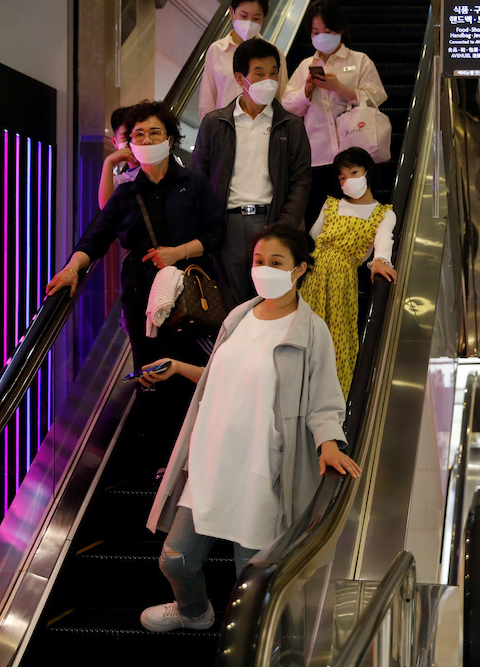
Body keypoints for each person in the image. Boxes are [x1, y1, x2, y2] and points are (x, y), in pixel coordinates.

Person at [138, 224, 362, 632]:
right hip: (211, 462)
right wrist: (177, 367)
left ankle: (251, 642)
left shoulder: (312, 333)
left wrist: (328, 441)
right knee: (175, 558)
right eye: (259, 261)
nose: (263, 269)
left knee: (252, 577)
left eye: (276, 262)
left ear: (300, 270)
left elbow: (324, 401)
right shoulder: (239, 316)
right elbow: (223, 376)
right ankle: (194, 612)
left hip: (262, 471)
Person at [47, 100, 224, 375]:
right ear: (131, 143)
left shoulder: (193, 183)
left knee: (186, 371)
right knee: (148, 372)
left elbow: (216, 232)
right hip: (139, 293)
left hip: (188, 291)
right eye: (139, 134)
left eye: (155, 132)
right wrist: (72, 269)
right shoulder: (126, 193)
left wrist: (178, 252)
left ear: (170, 138)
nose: (147, 138)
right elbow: (95, 238)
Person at [193, 38, 312, 310]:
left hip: (272, 222)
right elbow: (199, 177)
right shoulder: (215, 123)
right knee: (231, 306)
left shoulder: (291, 125)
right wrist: (208, 227)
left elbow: (301, 180)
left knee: (272, 303)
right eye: (259, 73)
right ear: (240, 78)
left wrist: (284, 226)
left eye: (273, 72)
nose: (269, 80)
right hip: (228, 225)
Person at [299, 147, 395, 398]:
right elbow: (312, 239)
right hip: (312, 275)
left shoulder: (383, 213)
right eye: (342, 177)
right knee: (303, 333)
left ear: (367, 172)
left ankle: (330, 405)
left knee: (337, 339)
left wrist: (380, 260)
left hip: (342, 281)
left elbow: (384, 241)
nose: (347, 180)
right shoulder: (331, 204)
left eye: (354, 172)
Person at [281, 0, 387, 224]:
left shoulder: (360, 61)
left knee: (356, 221)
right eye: (315, 31)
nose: (321, 37)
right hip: (317, 156)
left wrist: (340, 88)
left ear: (340, 29)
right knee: (319, 220)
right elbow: (288, 105)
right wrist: (307, 88)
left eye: (327, 31)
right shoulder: (305, 66)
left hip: (354, 155)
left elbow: (377, 97)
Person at [197, 0, 289, 119]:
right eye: (244, 16)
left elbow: (282, 97)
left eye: (256, 18)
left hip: (261, 127)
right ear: (232, 13)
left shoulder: (274, 54)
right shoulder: (217, 50)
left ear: (264, 17)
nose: (249, 23)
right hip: (224, 127)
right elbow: (207, 100)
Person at [97, 106, 140, 209]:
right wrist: (109, 162)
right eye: (126, 137)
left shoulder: (162, 166)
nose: (132, 141)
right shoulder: (117, 182)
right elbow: (107, 209)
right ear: (114, 142)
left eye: (137, 134)